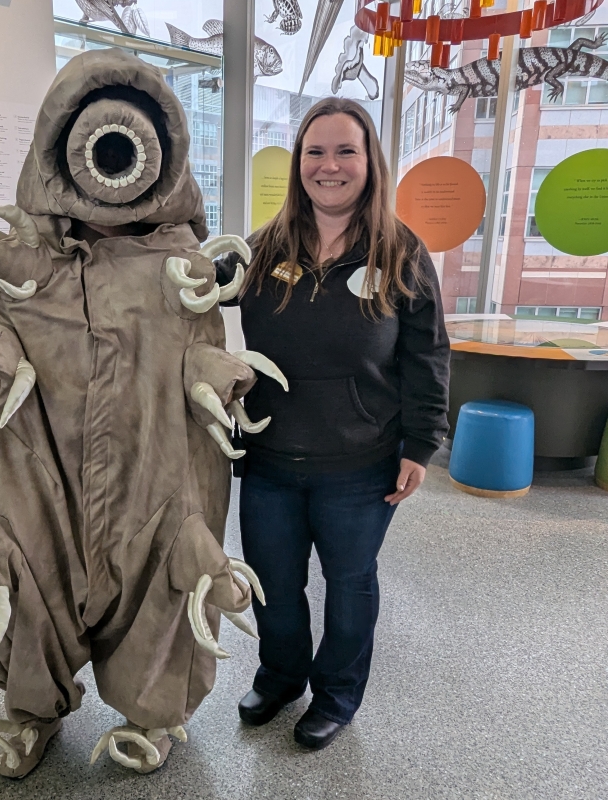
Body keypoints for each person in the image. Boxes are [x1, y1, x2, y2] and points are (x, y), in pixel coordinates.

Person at [215, 97, 450, 751]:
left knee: (349, 585)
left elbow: (428, 353)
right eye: (315, 152)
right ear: (299, 163)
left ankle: (338, 695)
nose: (330, 165)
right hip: (269, 456)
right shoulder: (263, 248)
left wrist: (421, 444)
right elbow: (193, 282)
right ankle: (281, 675)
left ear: (370, 161)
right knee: (275, 582)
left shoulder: (401, 252)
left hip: (361, 462)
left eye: (346, 150)